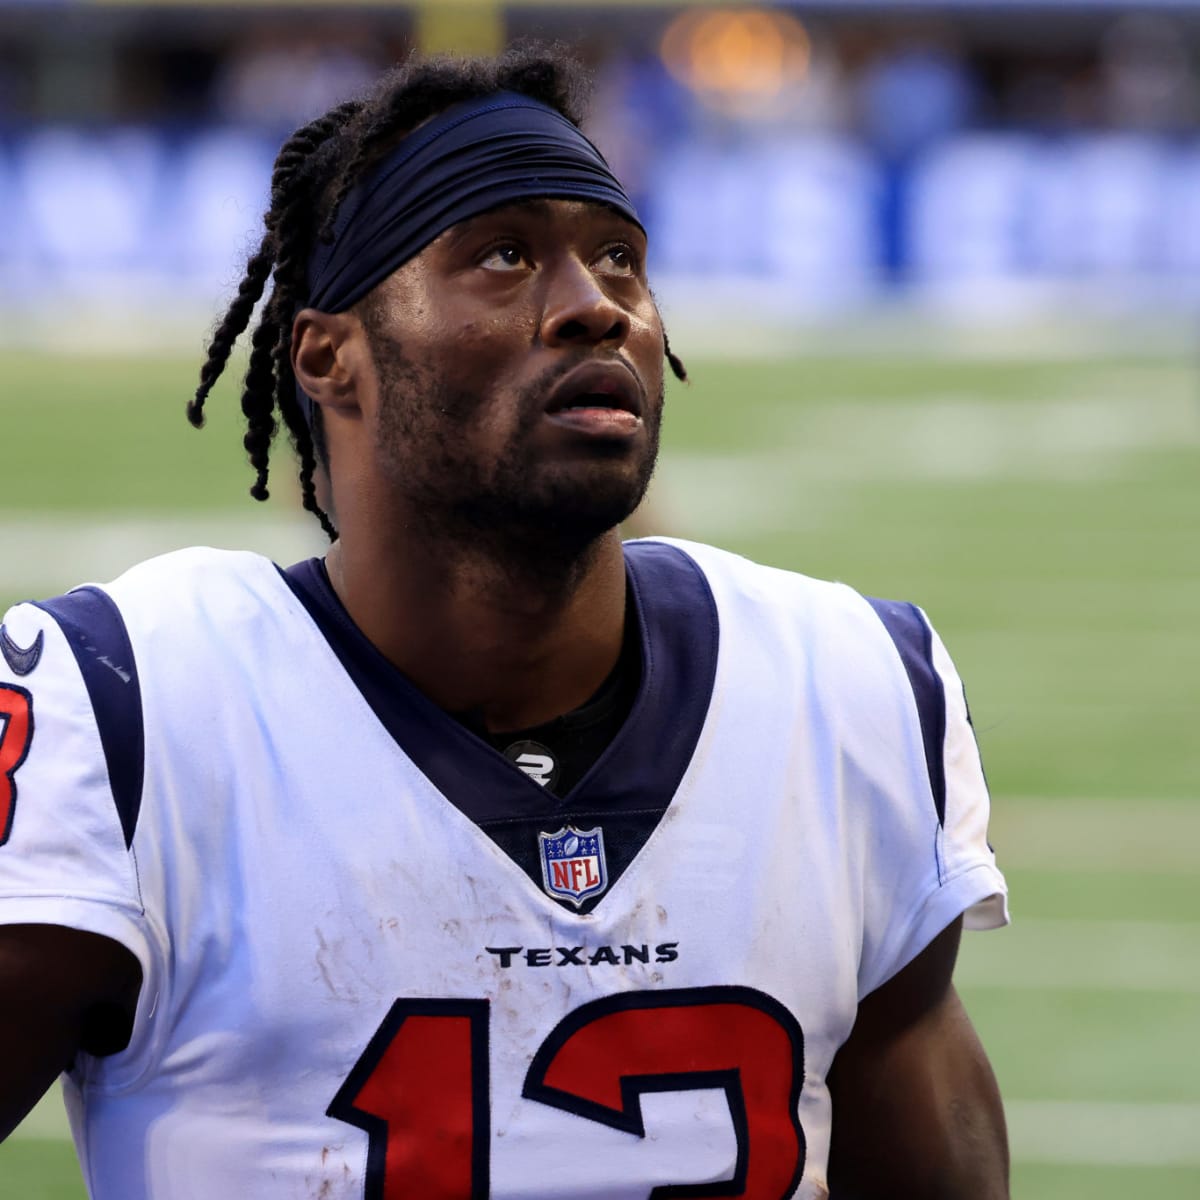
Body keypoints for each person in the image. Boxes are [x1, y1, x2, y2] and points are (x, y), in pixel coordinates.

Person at [0, 46, 1010, 1200]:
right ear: (331, 357)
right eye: (505, 255)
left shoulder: (850, 687)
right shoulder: (129, 708)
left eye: (621, 257)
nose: (597, 307)